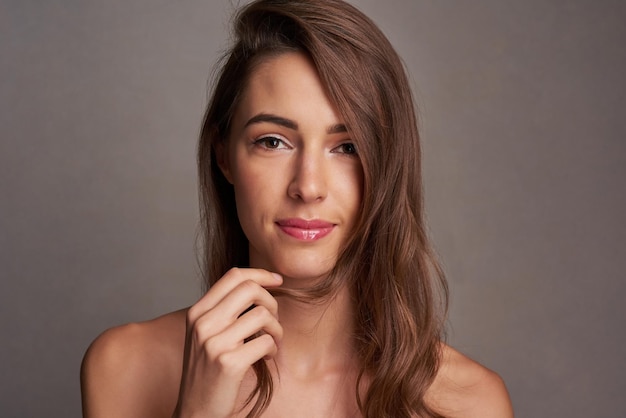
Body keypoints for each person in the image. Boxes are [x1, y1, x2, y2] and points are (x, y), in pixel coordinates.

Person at [80, 0, 513, 417]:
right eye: (272, 141)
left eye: (347, 147)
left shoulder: (469, 404)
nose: (307, 187)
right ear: (225, 157)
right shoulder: (125, 367)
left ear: (387, 166)